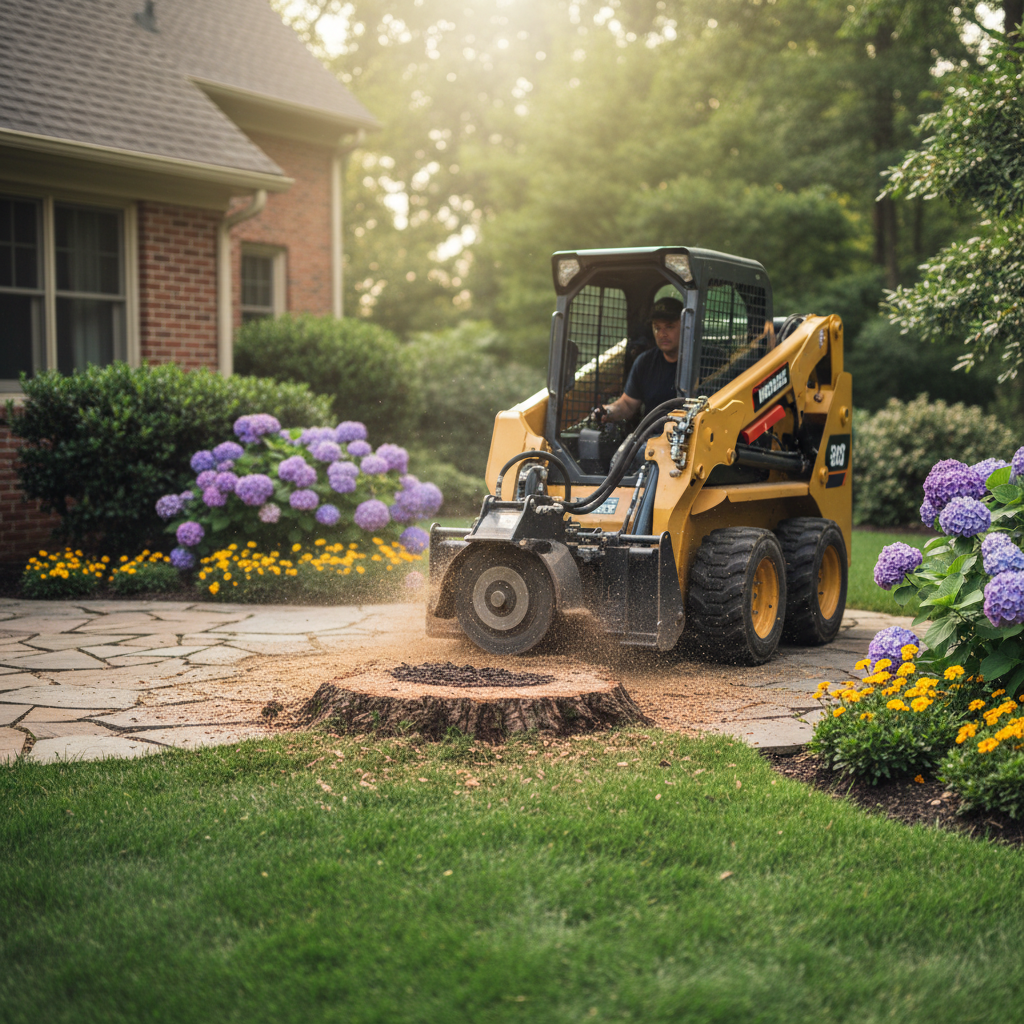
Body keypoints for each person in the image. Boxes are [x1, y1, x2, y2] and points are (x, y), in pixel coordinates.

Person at [592, 296, 683, 424]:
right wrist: (608, 411)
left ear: (685, 326)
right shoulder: (645, 363)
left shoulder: (705, 364)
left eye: (669, 327)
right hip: (651, 440)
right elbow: (627, 405)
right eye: (657, 328)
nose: (662, 334)